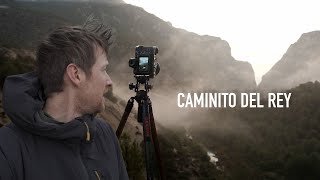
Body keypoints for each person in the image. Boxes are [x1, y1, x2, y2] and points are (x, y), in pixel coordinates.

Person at [0, 25, 129, 180]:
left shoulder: (105, 133)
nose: (109, 81)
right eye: (103, 69)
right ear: (75, 74)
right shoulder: (7, 149)